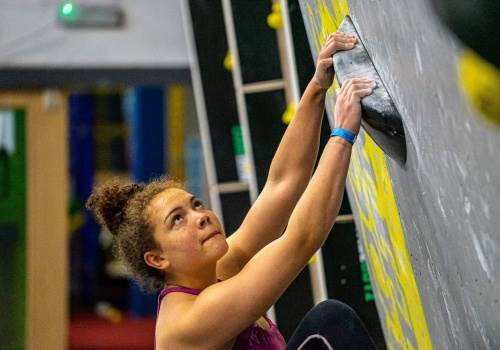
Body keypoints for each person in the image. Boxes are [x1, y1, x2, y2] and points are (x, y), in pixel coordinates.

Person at [87, 32, 378, 350]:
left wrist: (317, 87)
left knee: (329, 323)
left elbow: (282, 185)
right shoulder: (188, 322)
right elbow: (302, 239)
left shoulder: (217, 269)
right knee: (329, 323)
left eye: (195, 205)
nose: (200, 217)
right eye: (177, 220)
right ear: (157, 258)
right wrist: (341, 134)